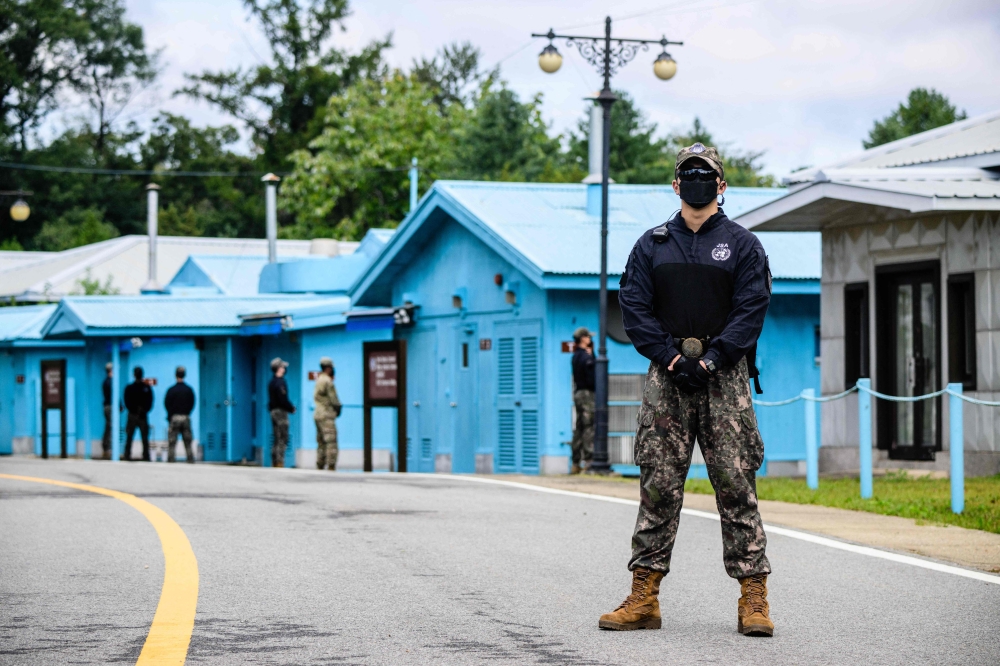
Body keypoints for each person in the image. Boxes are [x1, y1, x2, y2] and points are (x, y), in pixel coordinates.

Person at [600, 143, 774, 636]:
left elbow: (751, 309)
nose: (697, 180)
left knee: (737, 486)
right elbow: (634, 308)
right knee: (657, 486)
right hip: (666, 379)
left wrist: (716, 357)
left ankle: (754, 599)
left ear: (721, 185)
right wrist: (672, 358)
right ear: (675, 185)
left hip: (727, 380)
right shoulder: (651, 245)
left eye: (707, 173)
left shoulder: (743, 245)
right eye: (688, 173)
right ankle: (644, 597)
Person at [570, 327, 595, 474]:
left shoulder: (575, 356)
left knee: (579, 427)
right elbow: (593, 376)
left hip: (578, 392)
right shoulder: (587, 358)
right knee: (589, 426)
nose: (590, 339)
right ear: (583, 338)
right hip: (587, 394)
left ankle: (575, 462)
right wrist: (593, 356)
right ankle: (589, 461)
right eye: (588, 337)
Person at [313, 357, 342, 470]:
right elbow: (334, 399)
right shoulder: (327, 381)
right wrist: (338, 409)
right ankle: (331, 465)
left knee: (321, 441)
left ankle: (320, 464)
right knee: (331, 441)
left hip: (318, 414)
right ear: (329, 368)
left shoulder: (319, 379)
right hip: (326, 415)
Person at [165, 366, 196, 463]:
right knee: (188, 440)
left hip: (174, 417)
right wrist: (187, 412)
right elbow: (192, 403)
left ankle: (171, 458)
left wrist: (170, 415)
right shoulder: (189, 390)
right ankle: (190, 459)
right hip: (186, 417)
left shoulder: (171, 390)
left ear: (175, 375)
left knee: (172, 441)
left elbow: (167, 404)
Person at [268, 357, 295, 468]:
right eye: (283, 366)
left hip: (273, 411)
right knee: (282, 437)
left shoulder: (272, 382)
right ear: (279, 368)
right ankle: (279, 462)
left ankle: (275, 461)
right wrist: (291, 408)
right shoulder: (280, 383)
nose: (284, 368)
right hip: (280, 412)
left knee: (276, 437)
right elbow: (282, 399)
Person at [123, 366, 153, 462]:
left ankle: (128, 455)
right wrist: (142, 410)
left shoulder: (132, 388)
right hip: (139, 415)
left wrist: (136, 410)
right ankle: (144, 456)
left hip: (135, 415)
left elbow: (127, 401)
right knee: (139, 437)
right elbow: (150, 401)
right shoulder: (145, 388)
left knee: (133, 436)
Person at [101, 363, 113, 460]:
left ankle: (107, 447)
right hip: (110, 407)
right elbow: (113, 396)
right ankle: (107, 448)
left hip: (107, 406)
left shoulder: (106, 382)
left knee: (109, 427)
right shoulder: (110, 382)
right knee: (110, 427)